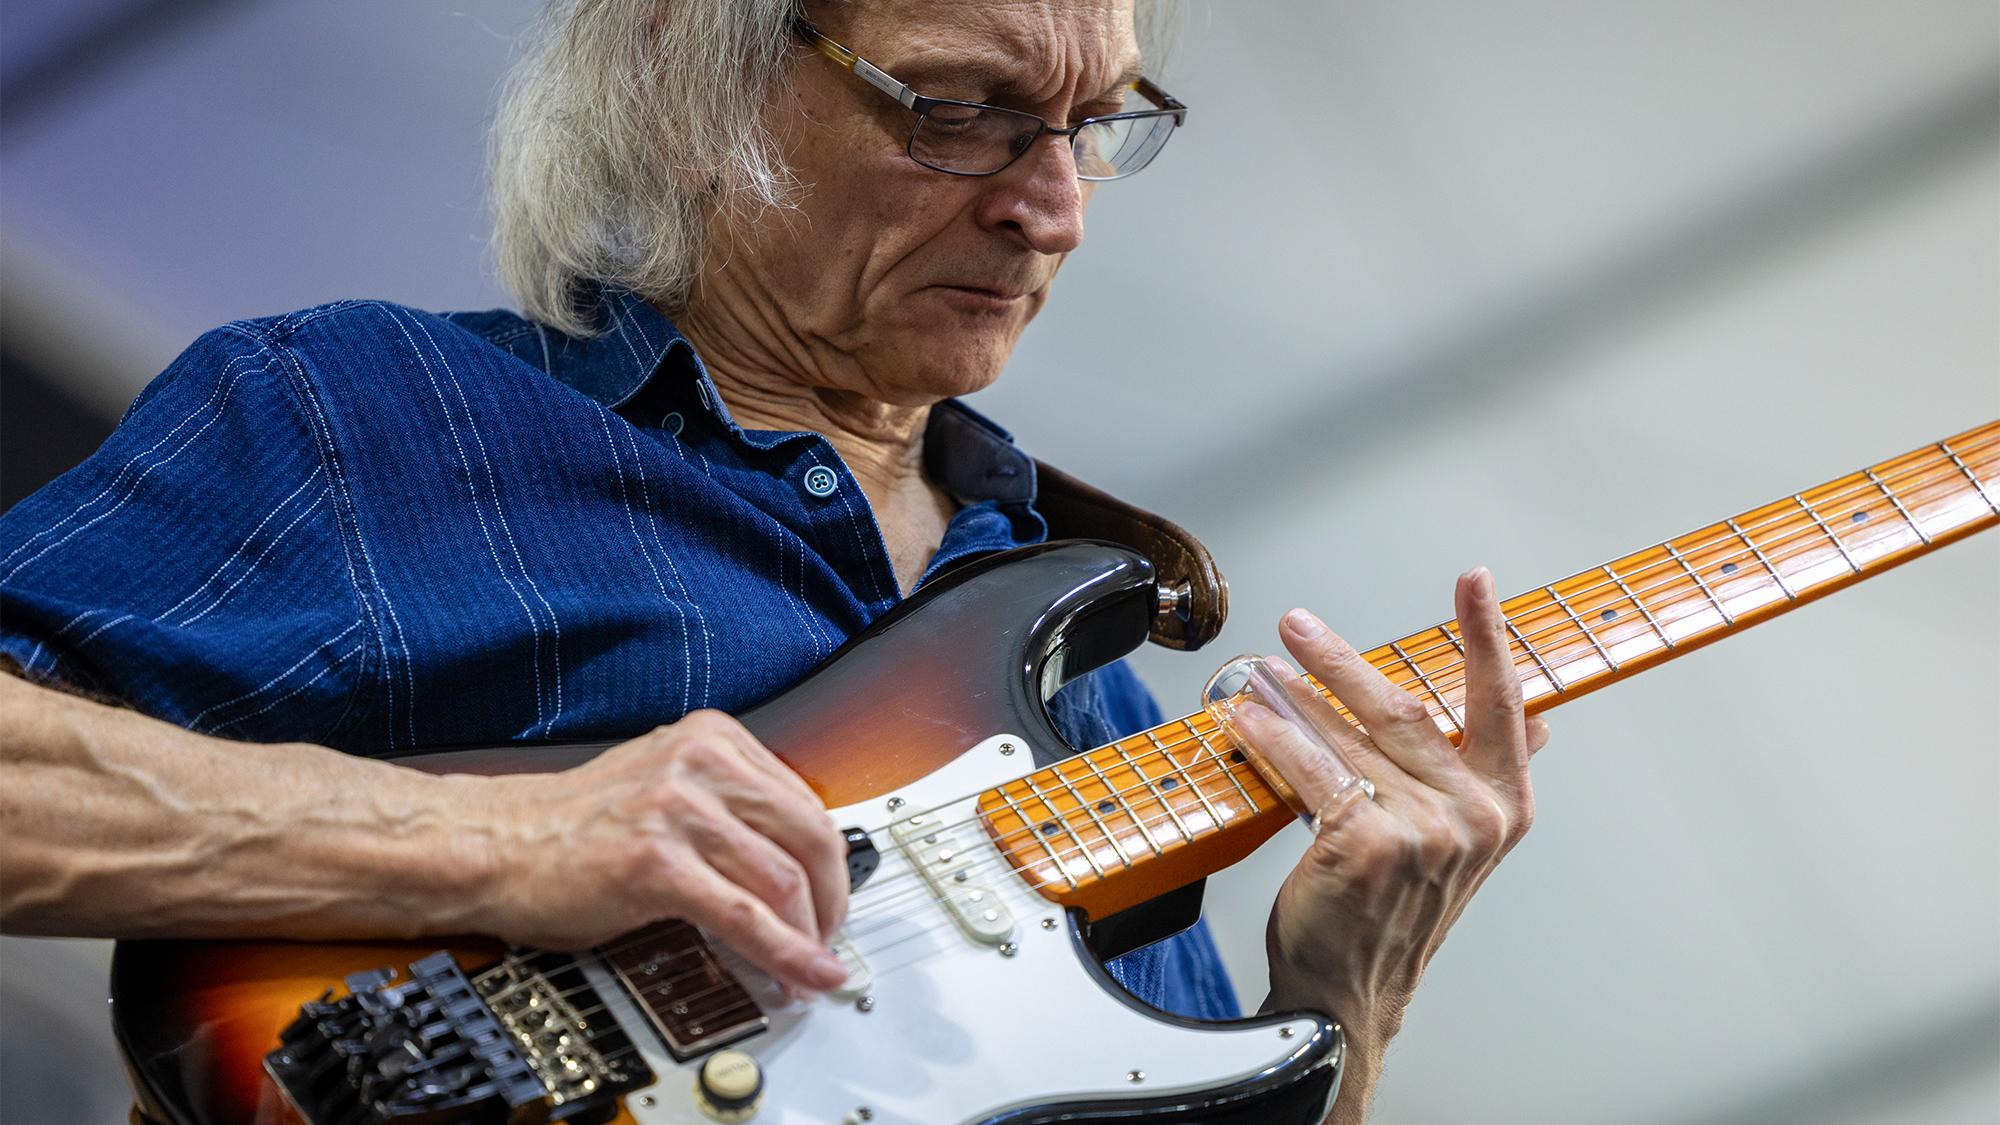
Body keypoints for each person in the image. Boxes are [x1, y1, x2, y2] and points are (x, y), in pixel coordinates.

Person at [0, 1, 1546, 1120]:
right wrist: (492, 843)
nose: (1054, 208)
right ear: (689, 76)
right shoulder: (376, 413)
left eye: (1092, 124)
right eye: (963, 107)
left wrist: (1349, 1005)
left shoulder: (1100, 700)